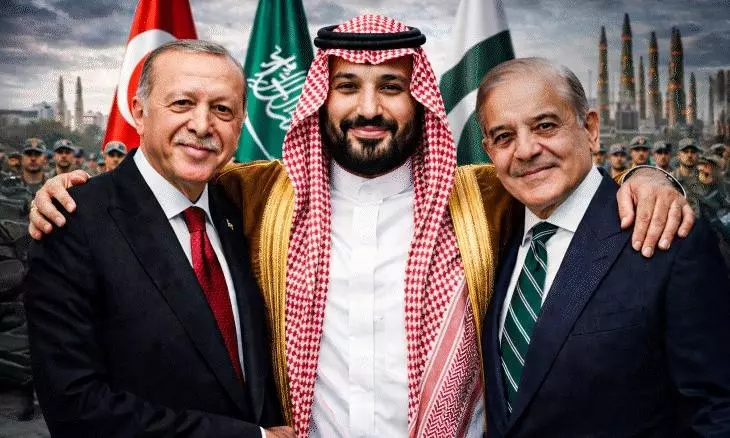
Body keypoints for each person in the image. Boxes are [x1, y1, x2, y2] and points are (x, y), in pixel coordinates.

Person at [27, 16, 692, 437]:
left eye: (391, 88)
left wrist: (651, 178)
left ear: (419, 100)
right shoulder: (260, 193)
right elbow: (160, 185)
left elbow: (567, 181)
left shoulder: (484, 194)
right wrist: (70, 188)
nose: (368, 108)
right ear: (322, 99)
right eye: (347, 87)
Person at [23, 40, 289, 438]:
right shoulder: (72, 220)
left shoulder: (245, 208)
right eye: (182, 103)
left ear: (240, 125)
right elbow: (75, 407)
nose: (202, 125)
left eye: (222, 109)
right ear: (139, 112)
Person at [476, 57, 730, 437]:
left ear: (591, 130)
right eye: (504, 137)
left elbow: (714, 413)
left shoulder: (665, 237)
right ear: (488, 150)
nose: (525, 150)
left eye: (545, 126)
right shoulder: (490, 238)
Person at [672, 138, 703, 216]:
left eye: (693, 152)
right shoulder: (670, 179)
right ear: (678, 155)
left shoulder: (705, 179)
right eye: (685, 152)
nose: (689, 155)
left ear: (698, 155)